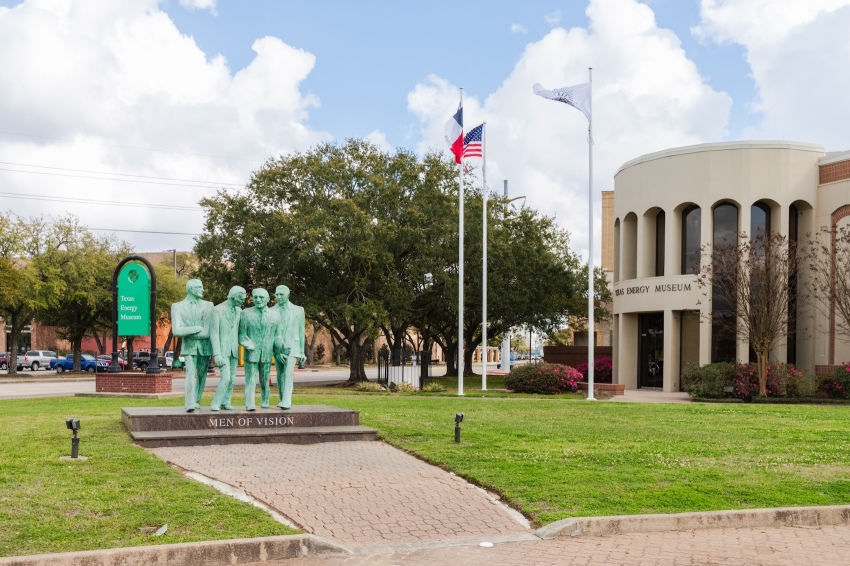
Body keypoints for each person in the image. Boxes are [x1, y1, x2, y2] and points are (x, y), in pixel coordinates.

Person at [171, 279, 214, 412]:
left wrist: (187, 330)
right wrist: (196, 328)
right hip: (189, 347)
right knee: (190, 373)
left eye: (202, 287)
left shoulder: (209, 305)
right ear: (190, 289)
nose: (202, 289)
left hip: (205, 346)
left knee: (202, 375)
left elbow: (207, 332)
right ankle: (189, 402)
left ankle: (196, 400)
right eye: (199, 287)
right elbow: (176, 331)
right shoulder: (177, 306)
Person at [239, 288, 280, 410]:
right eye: (255, 297)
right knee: (250, 380)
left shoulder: (275, 315)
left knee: (265, 380)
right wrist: (248, 344)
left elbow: (278, 335)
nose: (258, 299)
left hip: (267, 353)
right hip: (251, 353)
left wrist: (281, 346)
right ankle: (250, 403)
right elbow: (241, 336)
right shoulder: (245, 313)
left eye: (261, 297)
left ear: (268, 299)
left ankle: (265, 401)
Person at [209, 286, 247, 411]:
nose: (243, 301)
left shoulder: (239, 311)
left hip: (234, 351)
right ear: (233, 297)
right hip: (222, 350)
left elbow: (240, 332)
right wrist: (217, 354)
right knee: (226, 377)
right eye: (241, 298)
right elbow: (214, 333)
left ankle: (226, 401)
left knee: (231, 379)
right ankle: (216, 402)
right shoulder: (217, 310)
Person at [271, 285, 305, 410]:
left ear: (288, 295)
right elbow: (272, 333)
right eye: (277, 294)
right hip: (278, 348)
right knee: (280, 375)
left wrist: (302, 352)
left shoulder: (298, 310)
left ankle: (286, 400)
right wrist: (276, 349)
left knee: (288, 373)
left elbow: (301, 332)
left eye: (281, 295)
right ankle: (281, 399)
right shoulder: (271, 311)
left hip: (293, 346)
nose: (278, 297)